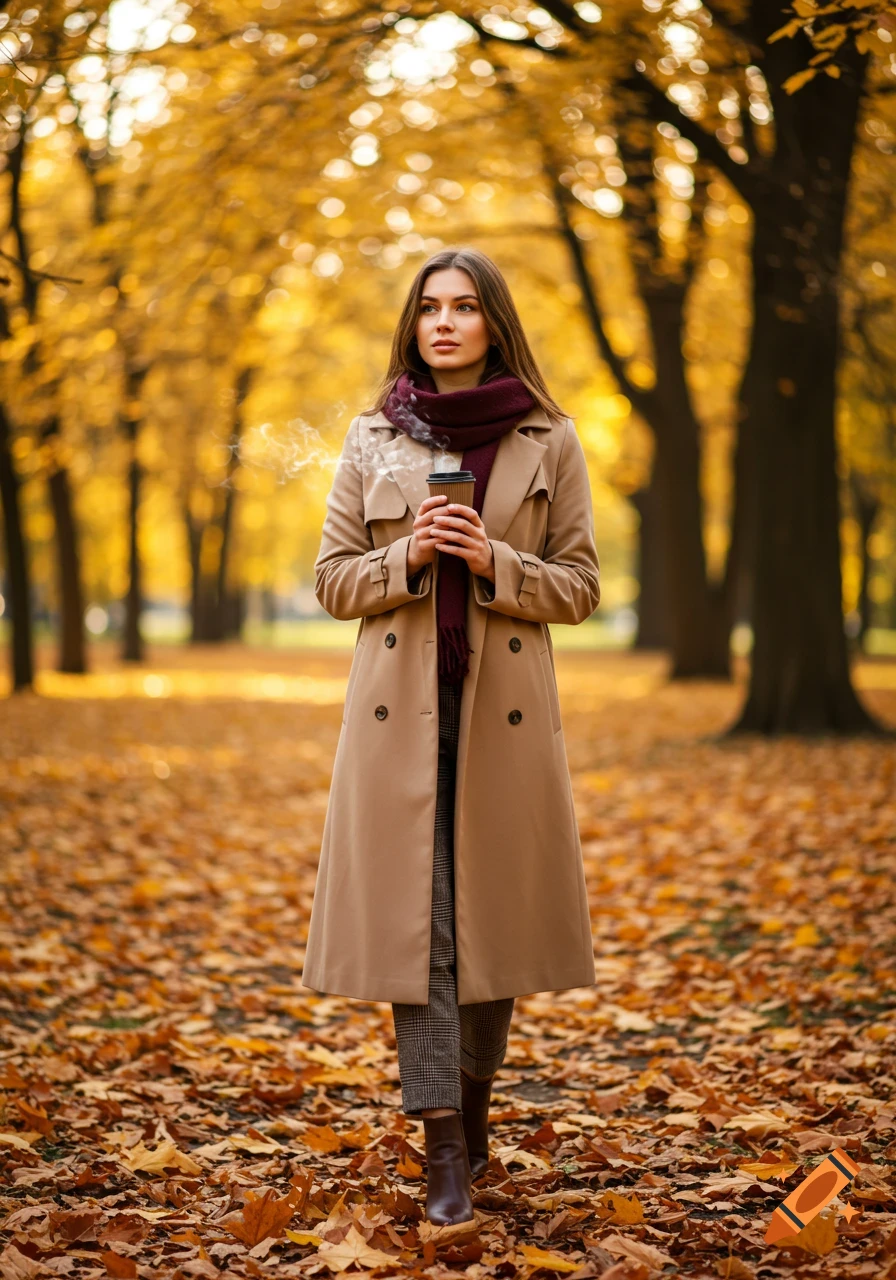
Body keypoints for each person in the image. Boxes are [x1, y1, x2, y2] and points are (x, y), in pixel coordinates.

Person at [302, 246, 600, 1225]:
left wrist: (497, 561)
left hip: (500, 721)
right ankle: (442, 1152)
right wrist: (410, 553)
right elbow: (333, 577)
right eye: (429, 306)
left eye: (464, 306)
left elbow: (581, 586)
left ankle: (471, 1117)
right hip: (398, 720)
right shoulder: (372, 437)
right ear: (413, 322)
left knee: (489, 929)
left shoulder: (546, 438)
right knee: (418, 932)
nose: (443, 322)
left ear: (491, 322)